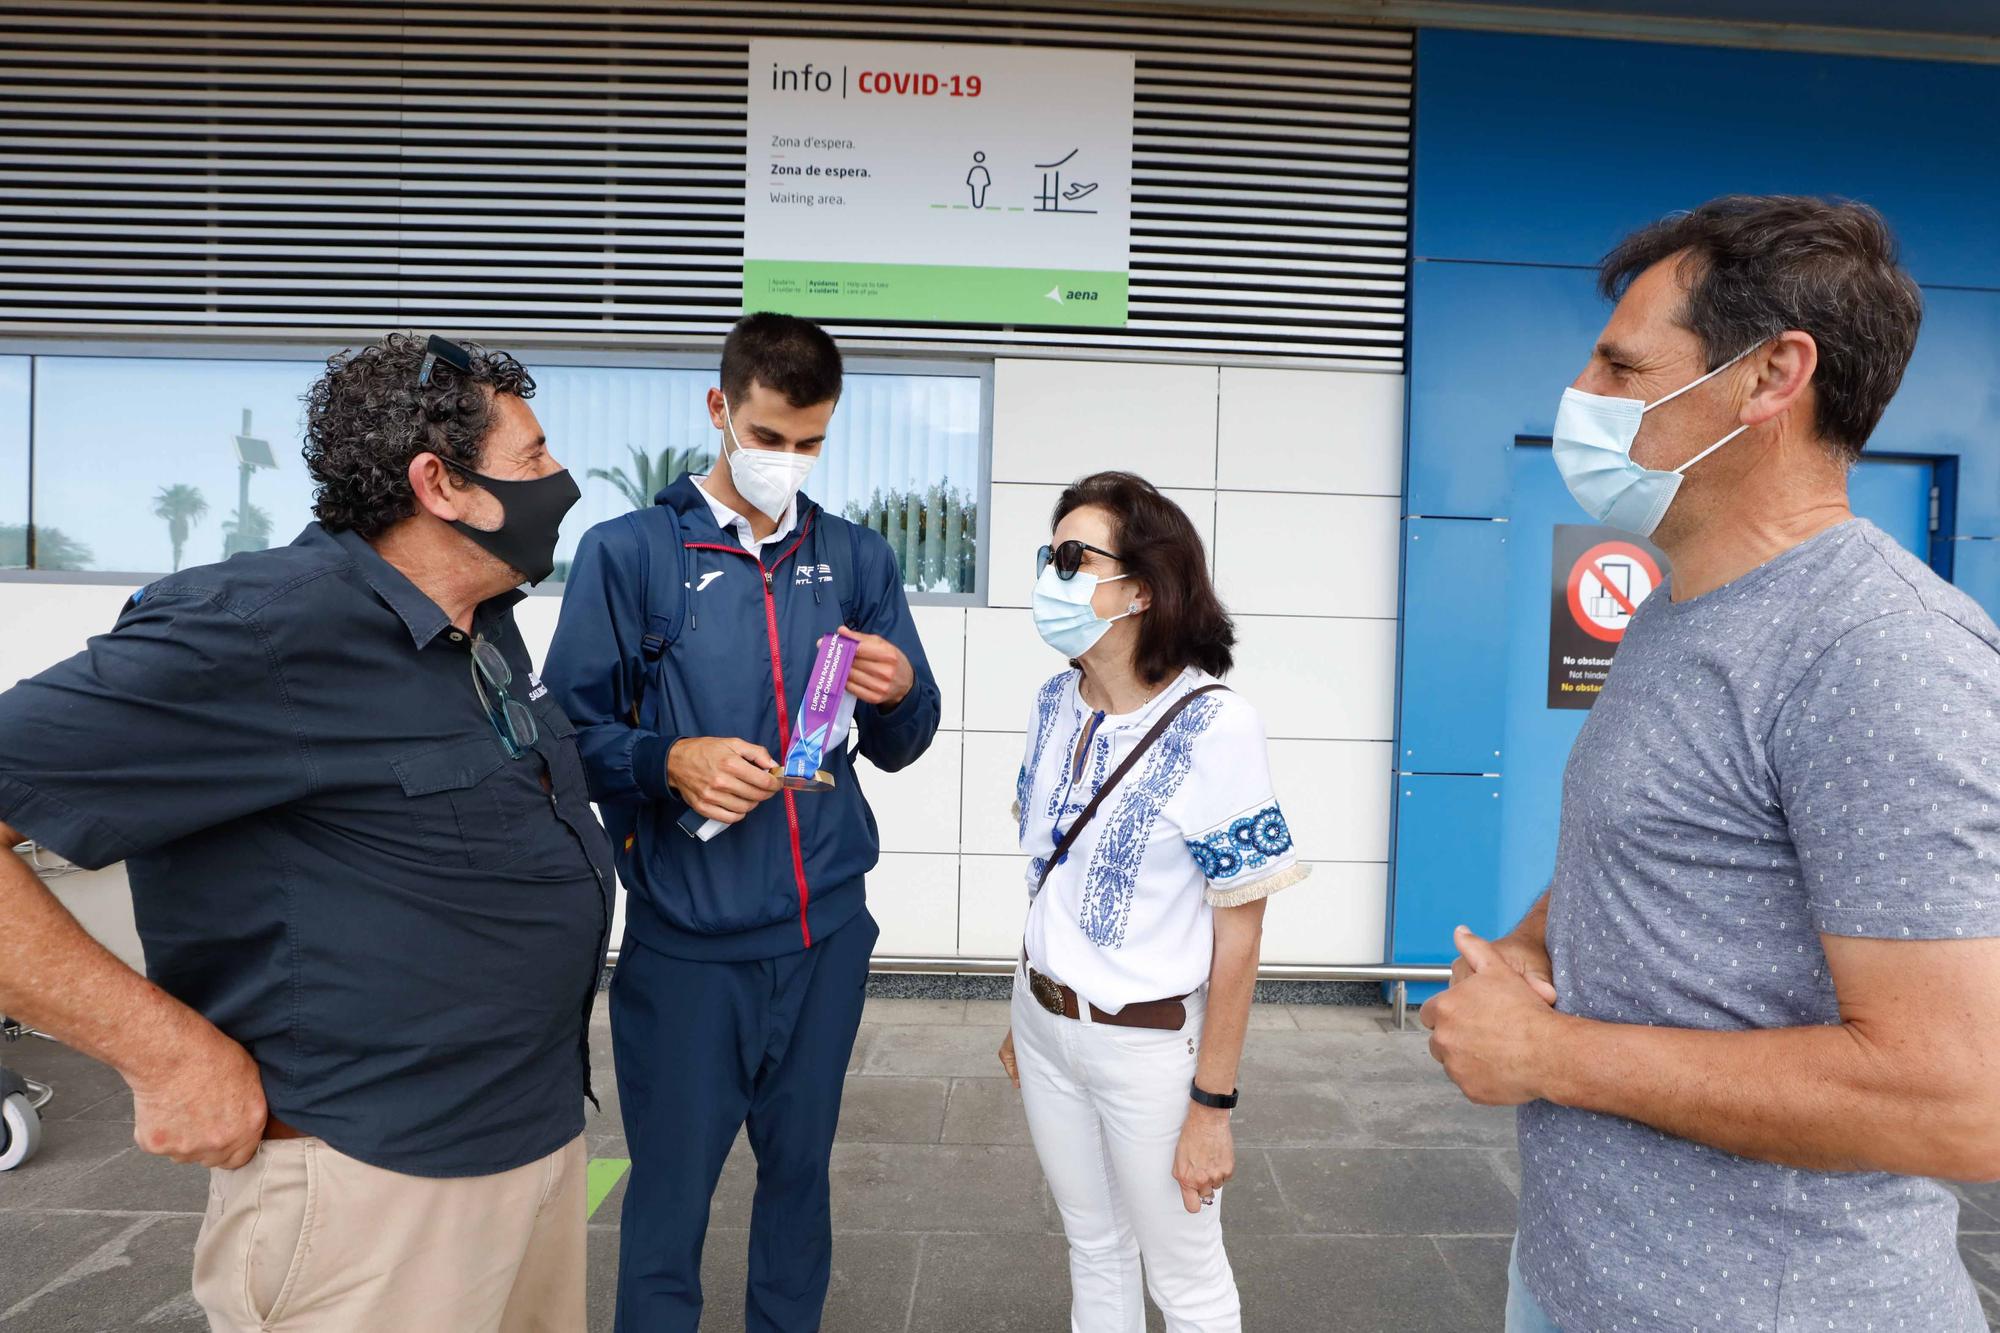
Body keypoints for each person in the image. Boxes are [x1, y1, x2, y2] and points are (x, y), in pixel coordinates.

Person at [1419, 195, 2000, 1332]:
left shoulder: (1878, 653)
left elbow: (1958, 1098)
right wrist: (1532, 946)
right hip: (1583, 1277)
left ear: (1769, 377)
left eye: (1620, 368)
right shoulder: (1676, 607)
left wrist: (1547, 1053)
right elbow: (1657, 839)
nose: (1579, 399)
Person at [0, 331, 612, 1331]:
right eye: (535, 457)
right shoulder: (256, 627)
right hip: (374, 1189)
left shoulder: (479, 621)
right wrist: (162, 1054)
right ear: (441, 485)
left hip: (529, 1141)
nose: (562, 480)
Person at [545, 312, 942, 1332]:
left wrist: (899, 693)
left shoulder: (853, 557)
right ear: (719, 410)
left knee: (798, 1181)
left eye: (811, 442)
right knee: (669, 1199)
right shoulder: (629, 553)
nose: (788, 462)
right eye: (769, 437)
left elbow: (902, 743)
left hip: (824, 938)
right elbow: (557, 740)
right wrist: (664, 760)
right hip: (687, 950)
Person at [995, 471, 1308, 1333]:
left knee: (1188, 1282)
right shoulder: (1053, 702)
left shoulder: (1218, 725)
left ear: (1139, 587)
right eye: (1045, 555)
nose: (1048, 577)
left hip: (1150, 1052)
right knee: (1092, 1246)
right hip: (1046, 1025)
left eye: (1070, 557)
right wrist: (1032, 1000)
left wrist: (1213, 1106)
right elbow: (1046, 871)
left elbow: (1239, 939)